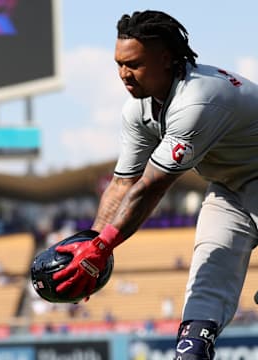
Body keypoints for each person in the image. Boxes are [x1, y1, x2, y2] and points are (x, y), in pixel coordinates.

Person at [52, 10, 258, 359]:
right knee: (201, 301)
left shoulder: (197, 99)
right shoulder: (139, 109)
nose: (123, 74)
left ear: (166, 59)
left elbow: (151, 187)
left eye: (133, 64)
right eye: (118, 64)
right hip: (231, 189)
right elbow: (122, 183)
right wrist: (89, 247)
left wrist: (102, 248)